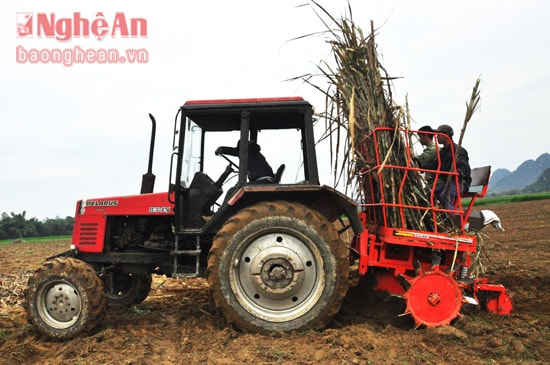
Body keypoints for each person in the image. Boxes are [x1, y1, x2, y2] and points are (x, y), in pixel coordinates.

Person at [432, 124, 472, 211]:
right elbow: (434, 165)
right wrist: (420, 164)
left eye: (439, 134)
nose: (437, 136)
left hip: (461, 182)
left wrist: (458, 172)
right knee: (432, 193)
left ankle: (452, 222)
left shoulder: (458, 150)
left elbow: (463, 167)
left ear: (446, 135)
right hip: (449, 182)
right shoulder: (443, 152)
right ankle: (441, 218)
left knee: (446, 195)